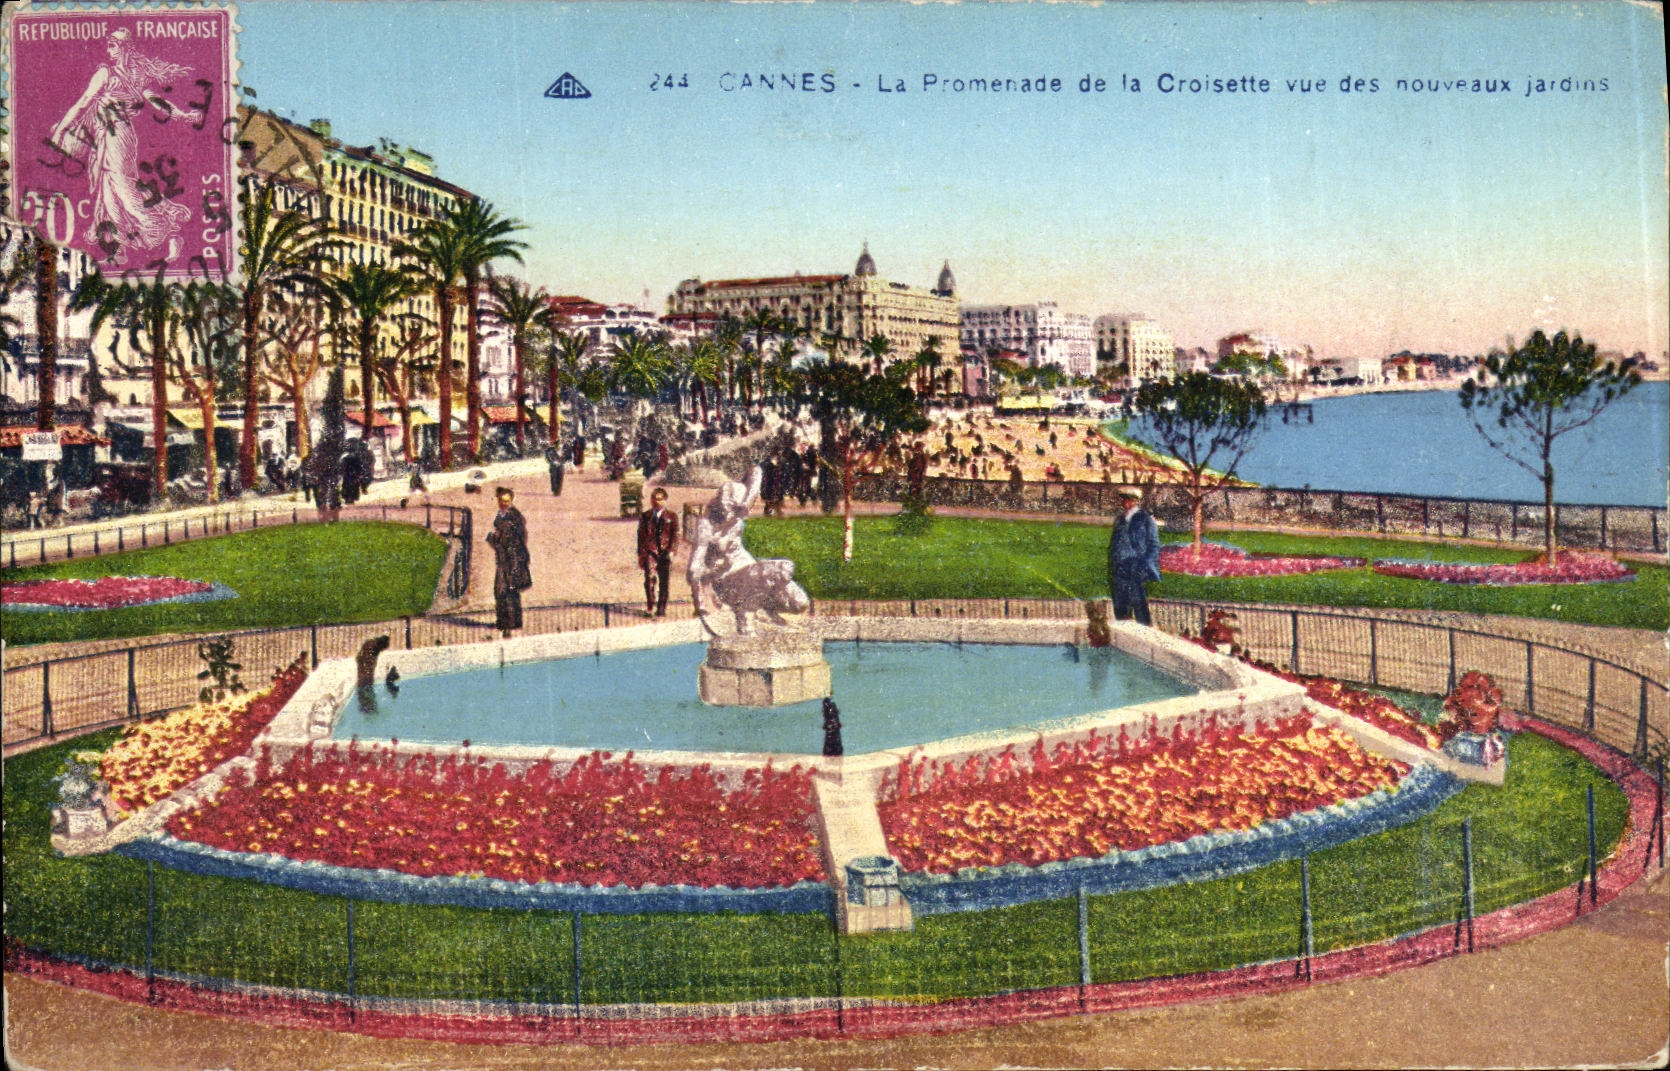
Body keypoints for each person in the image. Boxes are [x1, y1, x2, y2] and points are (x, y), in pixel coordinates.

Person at [49, 28, 201, 267]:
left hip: (117, 135)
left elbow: (83, 104)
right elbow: (84, 103)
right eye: (108, 45)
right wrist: (182, 115)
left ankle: (170, 232)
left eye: (113, 45)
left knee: (124, 189)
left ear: (125, 47)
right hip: (107, 136)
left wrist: (182, 116)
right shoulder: (122, 73)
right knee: (108, 191)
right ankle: (118, 250)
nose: (108, 49)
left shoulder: (112, 73)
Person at [1107, 488, 1161, 626]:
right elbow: (1114, 543)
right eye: (1124, 498)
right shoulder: (1120, 520)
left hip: (1135, 564)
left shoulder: (1145, 519)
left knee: (1138, 603)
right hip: (1119, 565)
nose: (1126, 502)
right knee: (1120, 602)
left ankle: (1145, 633)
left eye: (1129, 499)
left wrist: (1144, 565)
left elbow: (1153, 544)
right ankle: (1124, 629)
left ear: (1136, 501)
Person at [486, 487, 532, 637]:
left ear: (511, 501)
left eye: (506, 501)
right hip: (507, 558)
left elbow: (512, 542)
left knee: (504, 590)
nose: (503, 504)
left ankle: (507, 625)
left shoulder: (513, 518)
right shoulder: (504, 515)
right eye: (501, 501)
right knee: (508, 590)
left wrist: (493, 540)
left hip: (512, 559)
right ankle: (511, 622)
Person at [637, 486, 679, 616]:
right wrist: (641, 554)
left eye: (660, 499)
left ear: (665, 501)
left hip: (666, 552)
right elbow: (641, 536)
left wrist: (672, 551)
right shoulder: (646, 516)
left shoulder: (672, 516)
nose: (657, 502)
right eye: (654, 499)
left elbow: (675, 534)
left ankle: (661, 608)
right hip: (651, 551)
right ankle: (650, 606)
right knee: (649, 580)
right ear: (650, 501)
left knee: (664, 582)